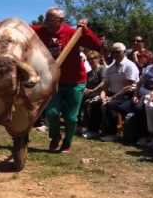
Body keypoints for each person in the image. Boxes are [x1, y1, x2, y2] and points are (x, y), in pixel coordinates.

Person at [33, 8, 102, 153]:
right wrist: (1, 25)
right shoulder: (40, 31)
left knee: (71, 117)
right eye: (46, 18)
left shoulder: (73, 33)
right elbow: (21, 30)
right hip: (54, 80)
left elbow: (97, 45)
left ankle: (67, 142)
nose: (46, 22)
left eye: (50, 19)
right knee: (51, 112)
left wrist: (86, 31)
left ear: (60, 21)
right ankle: (55, 137)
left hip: (75, 81)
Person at [100, 42, 140, 142]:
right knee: (95, 102)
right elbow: (105, 85)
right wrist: (103, 96)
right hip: (113, 94)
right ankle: (94, 129)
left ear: (124, 52)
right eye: (113, 52)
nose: (115, 54)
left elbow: (128, 87)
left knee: (110, 105)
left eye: (118, 52)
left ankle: (112, 133)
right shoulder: (110, 68)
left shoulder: (130, 66)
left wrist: (111, 98)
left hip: (127, 96)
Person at [81, 50, 106, 139]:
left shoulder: (102, 69)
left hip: (102, 93)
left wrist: (93, 90)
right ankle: (82, 126)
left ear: (98, 59)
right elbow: (84, 84)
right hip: (90, 94)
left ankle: (93, 130)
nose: (91, 60)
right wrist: (85, 89)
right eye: (89, 59)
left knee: (91, 103)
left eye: (94, 58)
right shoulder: (89, 73)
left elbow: (104, 82)